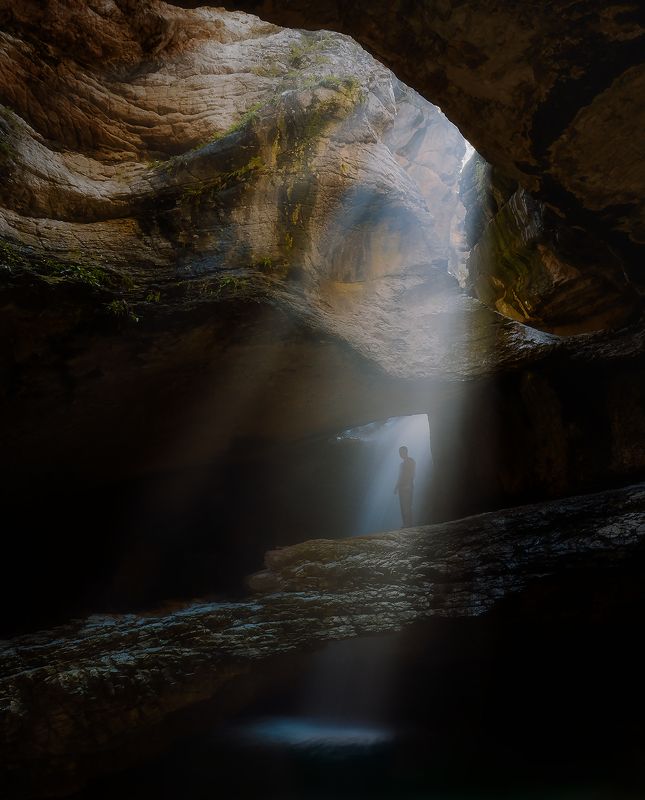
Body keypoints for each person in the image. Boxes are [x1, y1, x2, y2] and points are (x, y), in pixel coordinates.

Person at [394, 445, 415, 527]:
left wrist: (408, 485)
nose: (400, 454)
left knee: (407, 506)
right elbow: (400, 477)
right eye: (399, 452)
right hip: (401, 488)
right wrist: (396, 487)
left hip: (407, 487)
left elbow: (412, 474)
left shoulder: (411, 461)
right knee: (403, 507)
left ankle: (409, 524)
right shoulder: (401, 464)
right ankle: (405, 524)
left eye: (401, 452)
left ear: (405, 452)